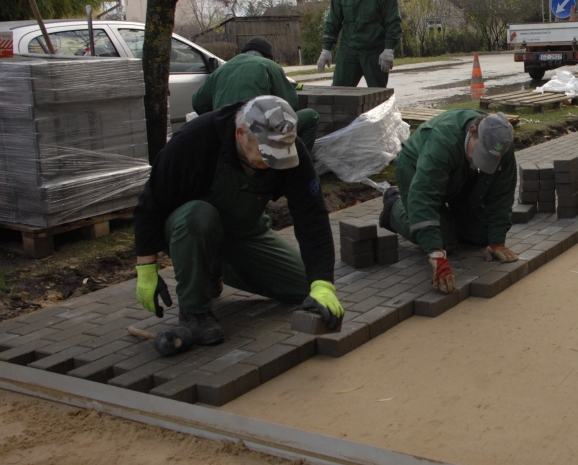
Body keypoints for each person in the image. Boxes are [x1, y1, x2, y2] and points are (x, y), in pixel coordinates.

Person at [133, 96, 342, 344]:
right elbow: (150, 204)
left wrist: (322, 284)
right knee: (199, 215)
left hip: (246, 234)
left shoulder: (288, 147)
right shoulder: (194, 140)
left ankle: (217, 266)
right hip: (191, 231)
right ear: (241, 134)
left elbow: (312, 215)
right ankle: (194, 314)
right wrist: (146, 269)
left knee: (306, 287)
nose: (273, 162)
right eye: (265, 153)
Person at [379, 109, 518, 294]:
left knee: (482, 236)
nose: (481, 162)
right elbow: (424, 196)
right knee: (443, 241)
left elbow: (502, 195)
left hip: (459, 170)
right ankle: (394, 206)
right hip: (416, 169)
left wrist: (497, 241)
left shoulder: (501, 144)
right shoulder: (443, 141)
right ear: (472, 131)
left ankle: (447, 220)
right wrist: (436, 254)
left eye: (488, 159)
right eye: (481, 154)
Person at [192, 36, 320, 153]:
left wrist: (220, 115)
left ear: (244, 52)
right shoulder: (269, 65)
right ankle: (297, 166)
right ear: (268, 56)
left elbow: (198, 103)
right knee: (311, 116)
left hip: (225, 134)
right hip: (258, 136)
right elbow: (290, 105)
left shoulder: (221, 69)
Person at [317, 0, 402, 88]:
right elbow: (333, 22)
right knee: (339, 92)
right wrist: (326, 49)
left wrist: (389, 49)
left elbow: (393, 22)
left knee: (377, 94)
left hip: (374, 52)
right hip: (349, 51)